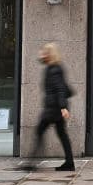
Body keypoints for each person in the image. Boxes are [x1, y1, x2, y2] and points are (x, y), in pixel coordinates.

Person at [20, 42, 75, 171]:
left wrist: (62, 108)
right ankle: (69, 163)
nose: (41, 54)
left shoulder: (54, 70)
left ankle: (31, 163)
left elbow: (60, 89)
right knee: (62, 134)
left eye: (44, 52)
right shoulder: (52, 68)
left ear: (50, 55)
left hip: (53, 109)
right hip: (55, 108)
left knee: (40, 132)